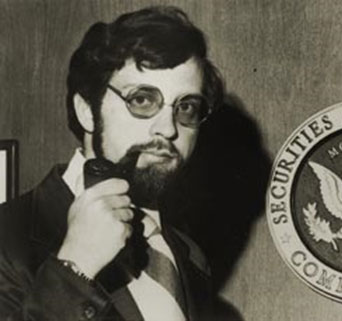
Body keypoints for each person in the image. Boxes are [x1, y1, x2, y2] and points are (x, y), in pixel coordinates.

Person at [0, 5, 224, 321]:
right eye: (142, 100)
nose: (169, 128)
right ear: (87, 111)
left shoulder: (189, 255)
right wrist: (75, 267)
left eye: (185, 107)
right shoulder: (7, 239)